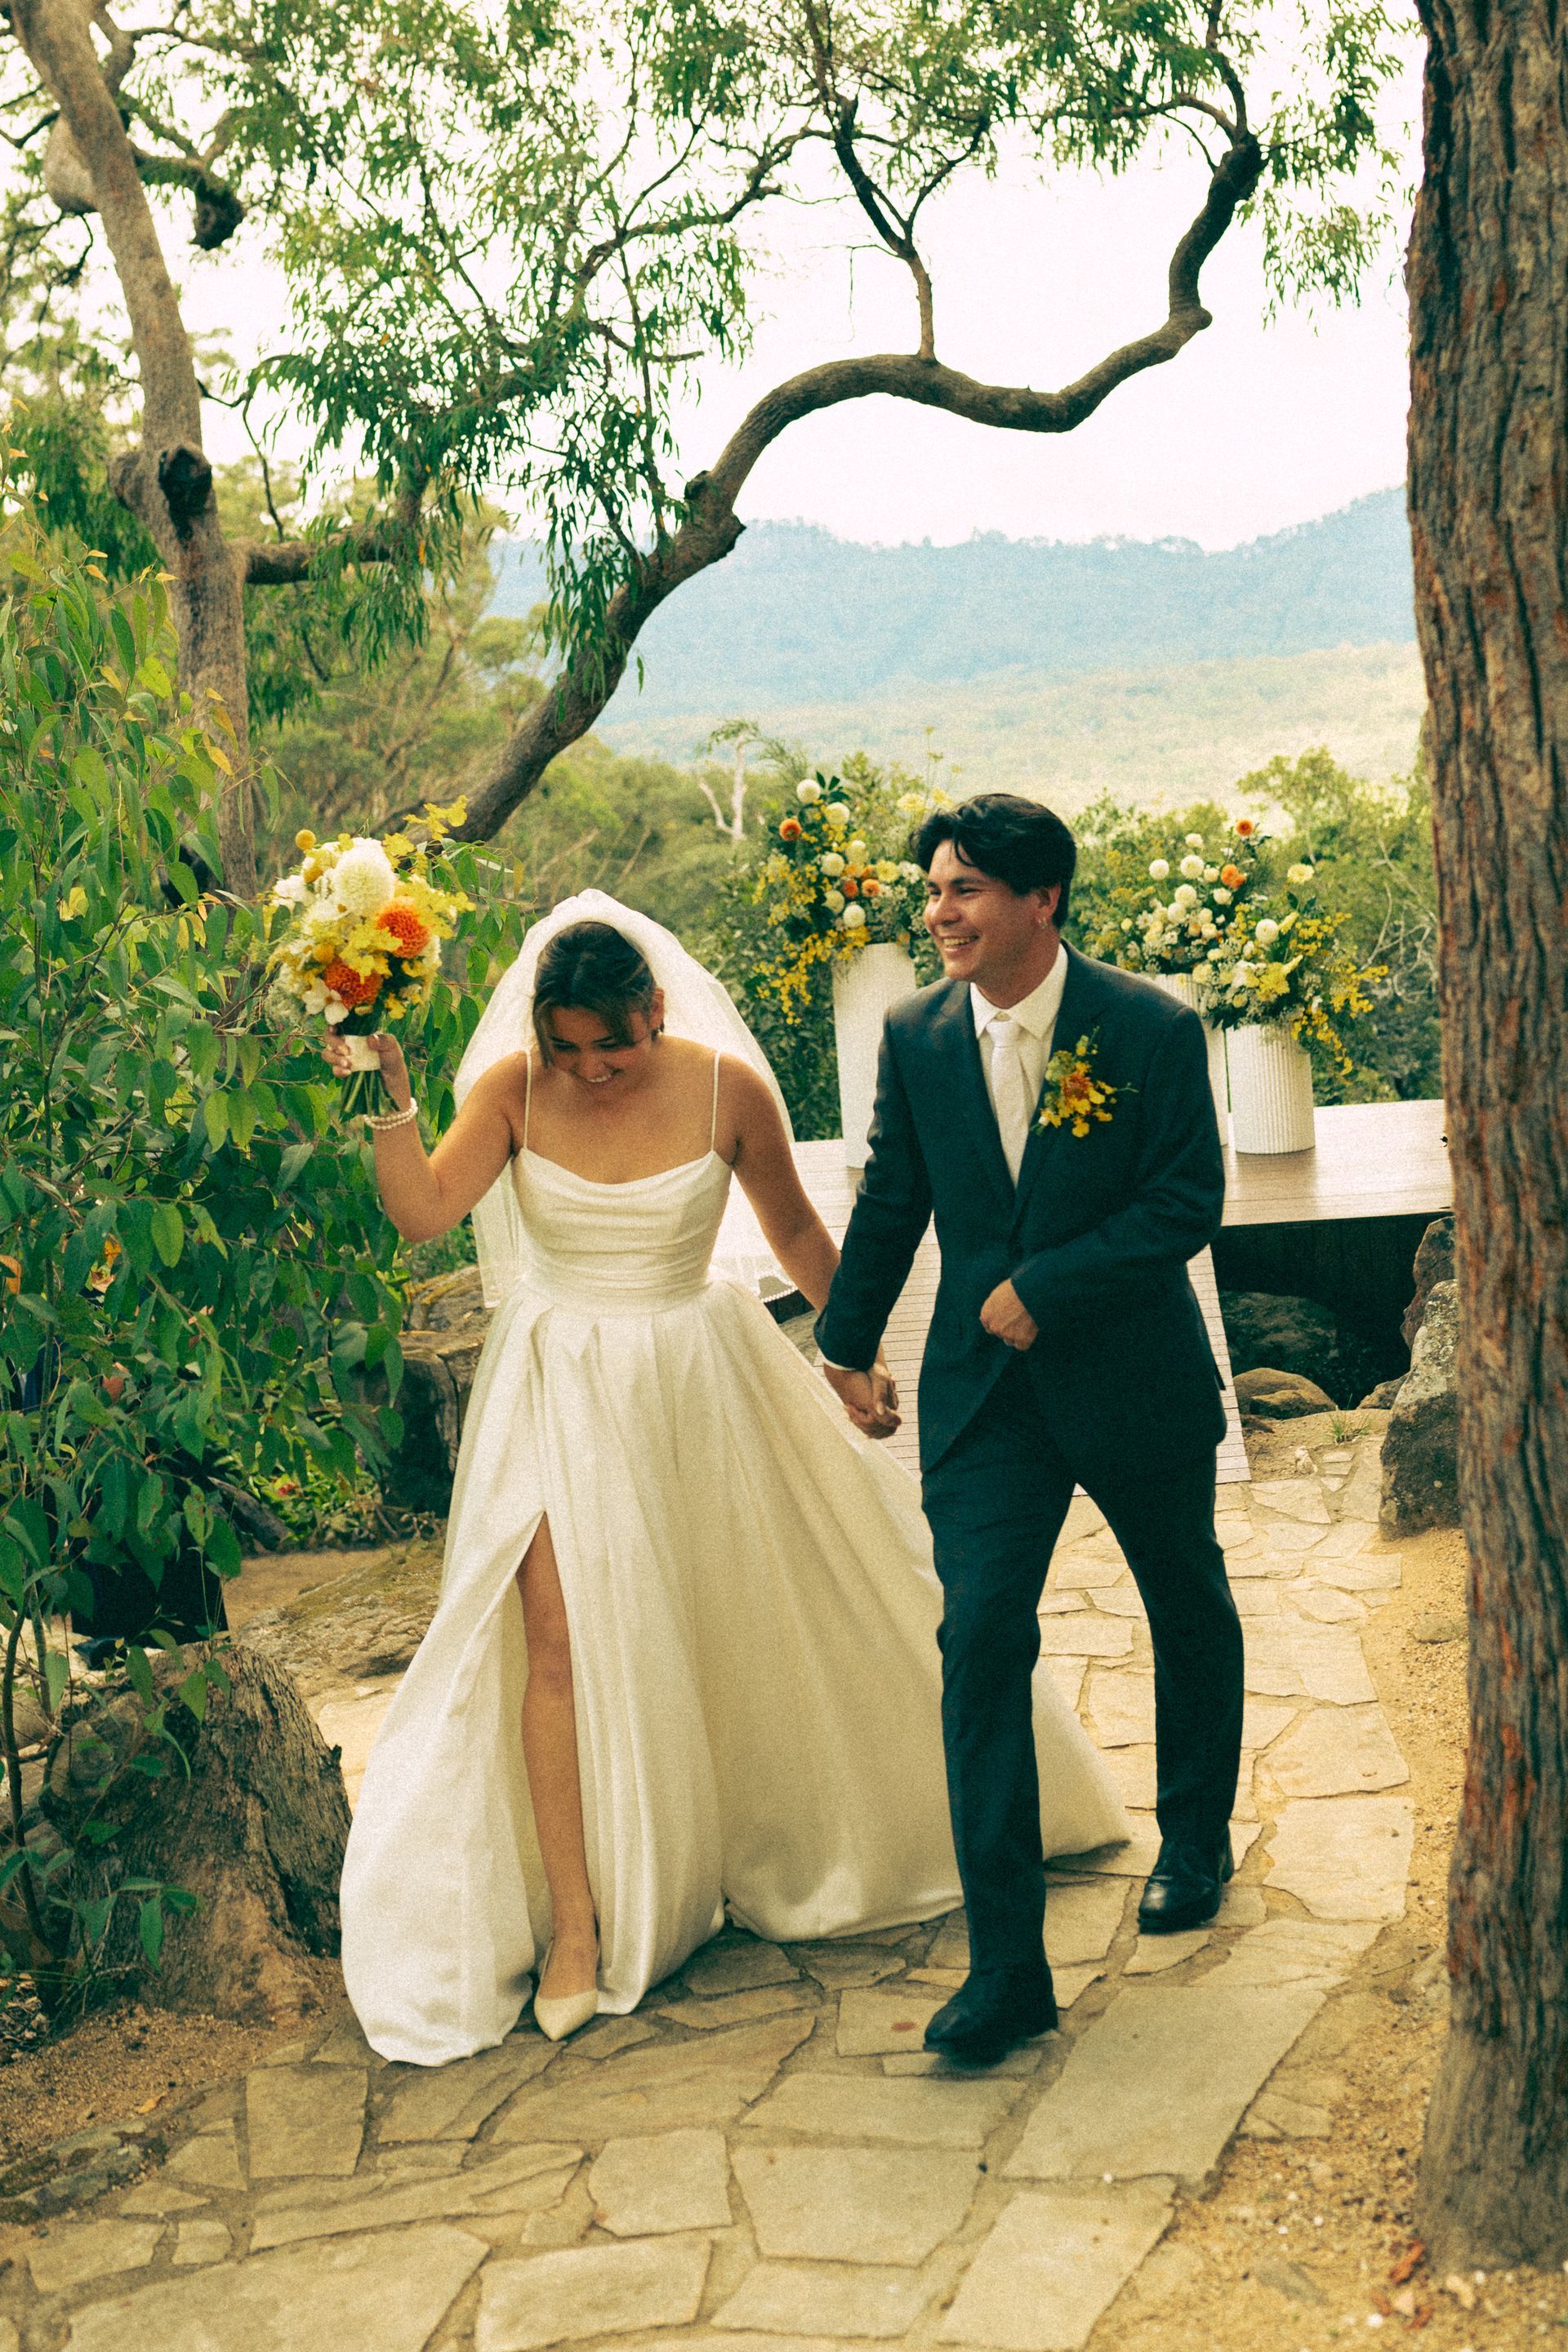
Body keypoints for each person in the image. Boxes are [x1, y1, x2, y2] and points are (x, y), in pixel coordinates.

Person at [331, 892, 1129, 2065]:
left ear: (655, 1011)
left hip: (692, 1378)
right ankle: (579, 1927)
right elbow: (421, 1211)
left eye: (616, 1042)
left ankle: (740, 1842)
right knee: (552, 1640)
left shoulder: (724, 1090)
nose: (594, 1069)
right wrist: (380, 1086)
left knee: (721, 1619)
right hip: (554, 1382)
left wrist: (854, 1357)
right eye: (569, 1049)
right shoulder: (509, 1093)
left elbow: (802, 1240)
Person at [817, 793, 1244, 2067]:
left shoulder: (1150, 1027)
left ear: (1041, 900)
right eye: (934, 891)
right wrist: (843, 1342)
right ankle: (1007, 1971)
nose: (938, 913)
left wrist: (1044, 1288)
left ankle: (1198, 1837)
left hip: (1131, 1377)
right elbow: (895, 1191)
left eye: (964, 891)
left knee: (1185, 1595)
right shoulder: (917, 1033)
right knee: (981, 1638)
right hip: (985, 1405)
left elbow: (1188, 1200)